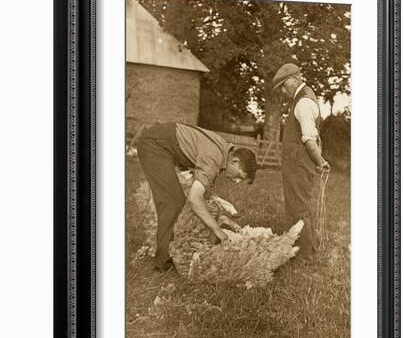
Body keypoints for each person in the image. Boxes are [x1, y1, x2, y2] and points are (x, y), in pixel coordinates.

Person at [137, 122, 257, 270]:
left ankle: (173, 248)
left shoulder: (223, 151)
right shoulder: (214, 158)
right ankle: (163, 261)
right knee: (172, 201)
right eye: (240, 176)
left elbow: (203, 189)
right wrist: (218, 231)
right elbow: (195, 199)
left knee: (181, 199)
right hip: (155, 145)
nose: (237, 182)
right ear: (235, 161)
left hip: (165, 144)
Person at [272, 63, 330, 263]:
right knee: (298, 206)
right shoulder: (301, 99)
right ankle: (302, 249)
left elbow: (309, 140)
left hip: (298, 165)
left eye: (282, 85)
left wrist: (319, 162)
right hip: (296, 164)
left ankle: (304, 256)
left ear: (294, 79)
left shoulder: (303, 103)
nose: (281, 90)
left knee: (299, 208)